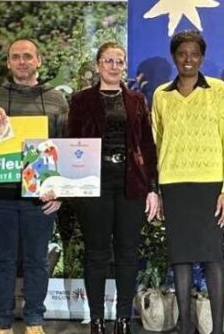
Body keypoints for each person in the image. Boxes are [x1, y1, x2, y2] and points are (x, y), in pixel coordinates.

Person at [66, 42, 161, 334]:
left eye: (120, 61)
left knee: (128, 253)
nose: (114, 65)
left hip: (131, 183)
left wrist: (152, 188)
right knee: (96, 253)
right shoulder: (81, 100)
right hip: (93, 184)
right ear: (98, 65)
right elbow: (72, 143)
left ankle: (122, 319)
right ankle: (96, 320)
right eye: (108, 60)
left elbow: (147, 144)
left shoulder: (136, 100)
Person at [151, 30, 224, 334]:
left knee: (213, 257)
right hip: (174, 185)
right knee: (182, 258)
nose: (188, 59)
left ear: (202, 57)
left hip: (210, 185)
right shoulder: (161, 95)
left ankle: (217, 329)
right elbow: (156, 143)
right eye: (182, 53)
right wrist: (157, 189)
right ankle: (186, 326)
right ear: (174, 57)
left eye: (194, 54)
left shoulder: (218, 90)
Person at [0, 38, 68, 334]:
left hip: (39, 197)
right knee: (2, 261)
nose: (21, 61)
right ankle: (1, 323)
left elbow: (64, 147)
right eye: (15, 57)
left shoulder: (56, 99)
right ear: (8, 63)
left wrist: (59, 191)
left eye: (27, 56)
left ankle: (34, 321)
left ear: (38, 61)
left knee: (37, 262)